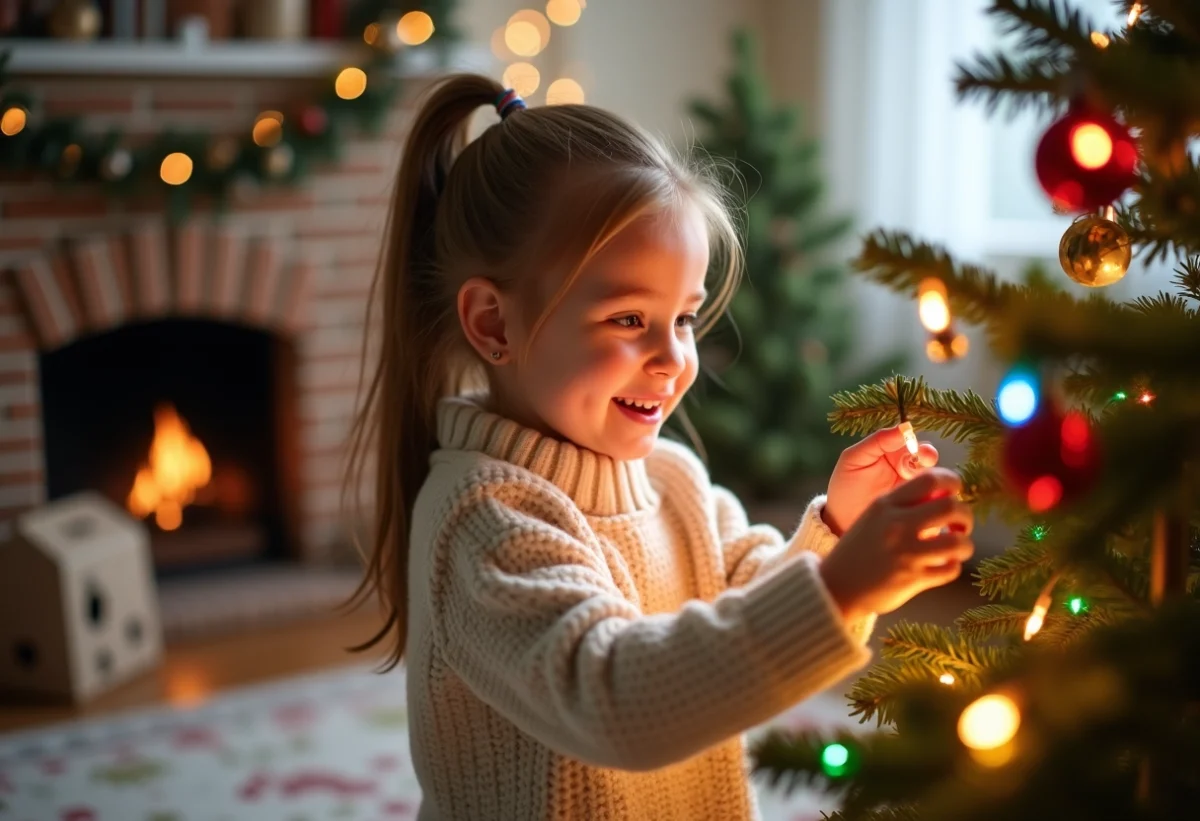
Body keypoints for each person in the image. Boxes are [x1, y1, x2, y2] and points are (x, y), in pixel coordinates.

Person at [344, 75, 974, 821]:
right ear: (494, 325)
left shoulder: (672, 479)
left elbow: (750, 610)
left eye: (684, 317)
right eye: (628, 318)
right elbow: (612, 695)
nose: (674, 357)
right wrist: (841, 590)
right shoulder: (481, 517)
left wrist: (838, 531)